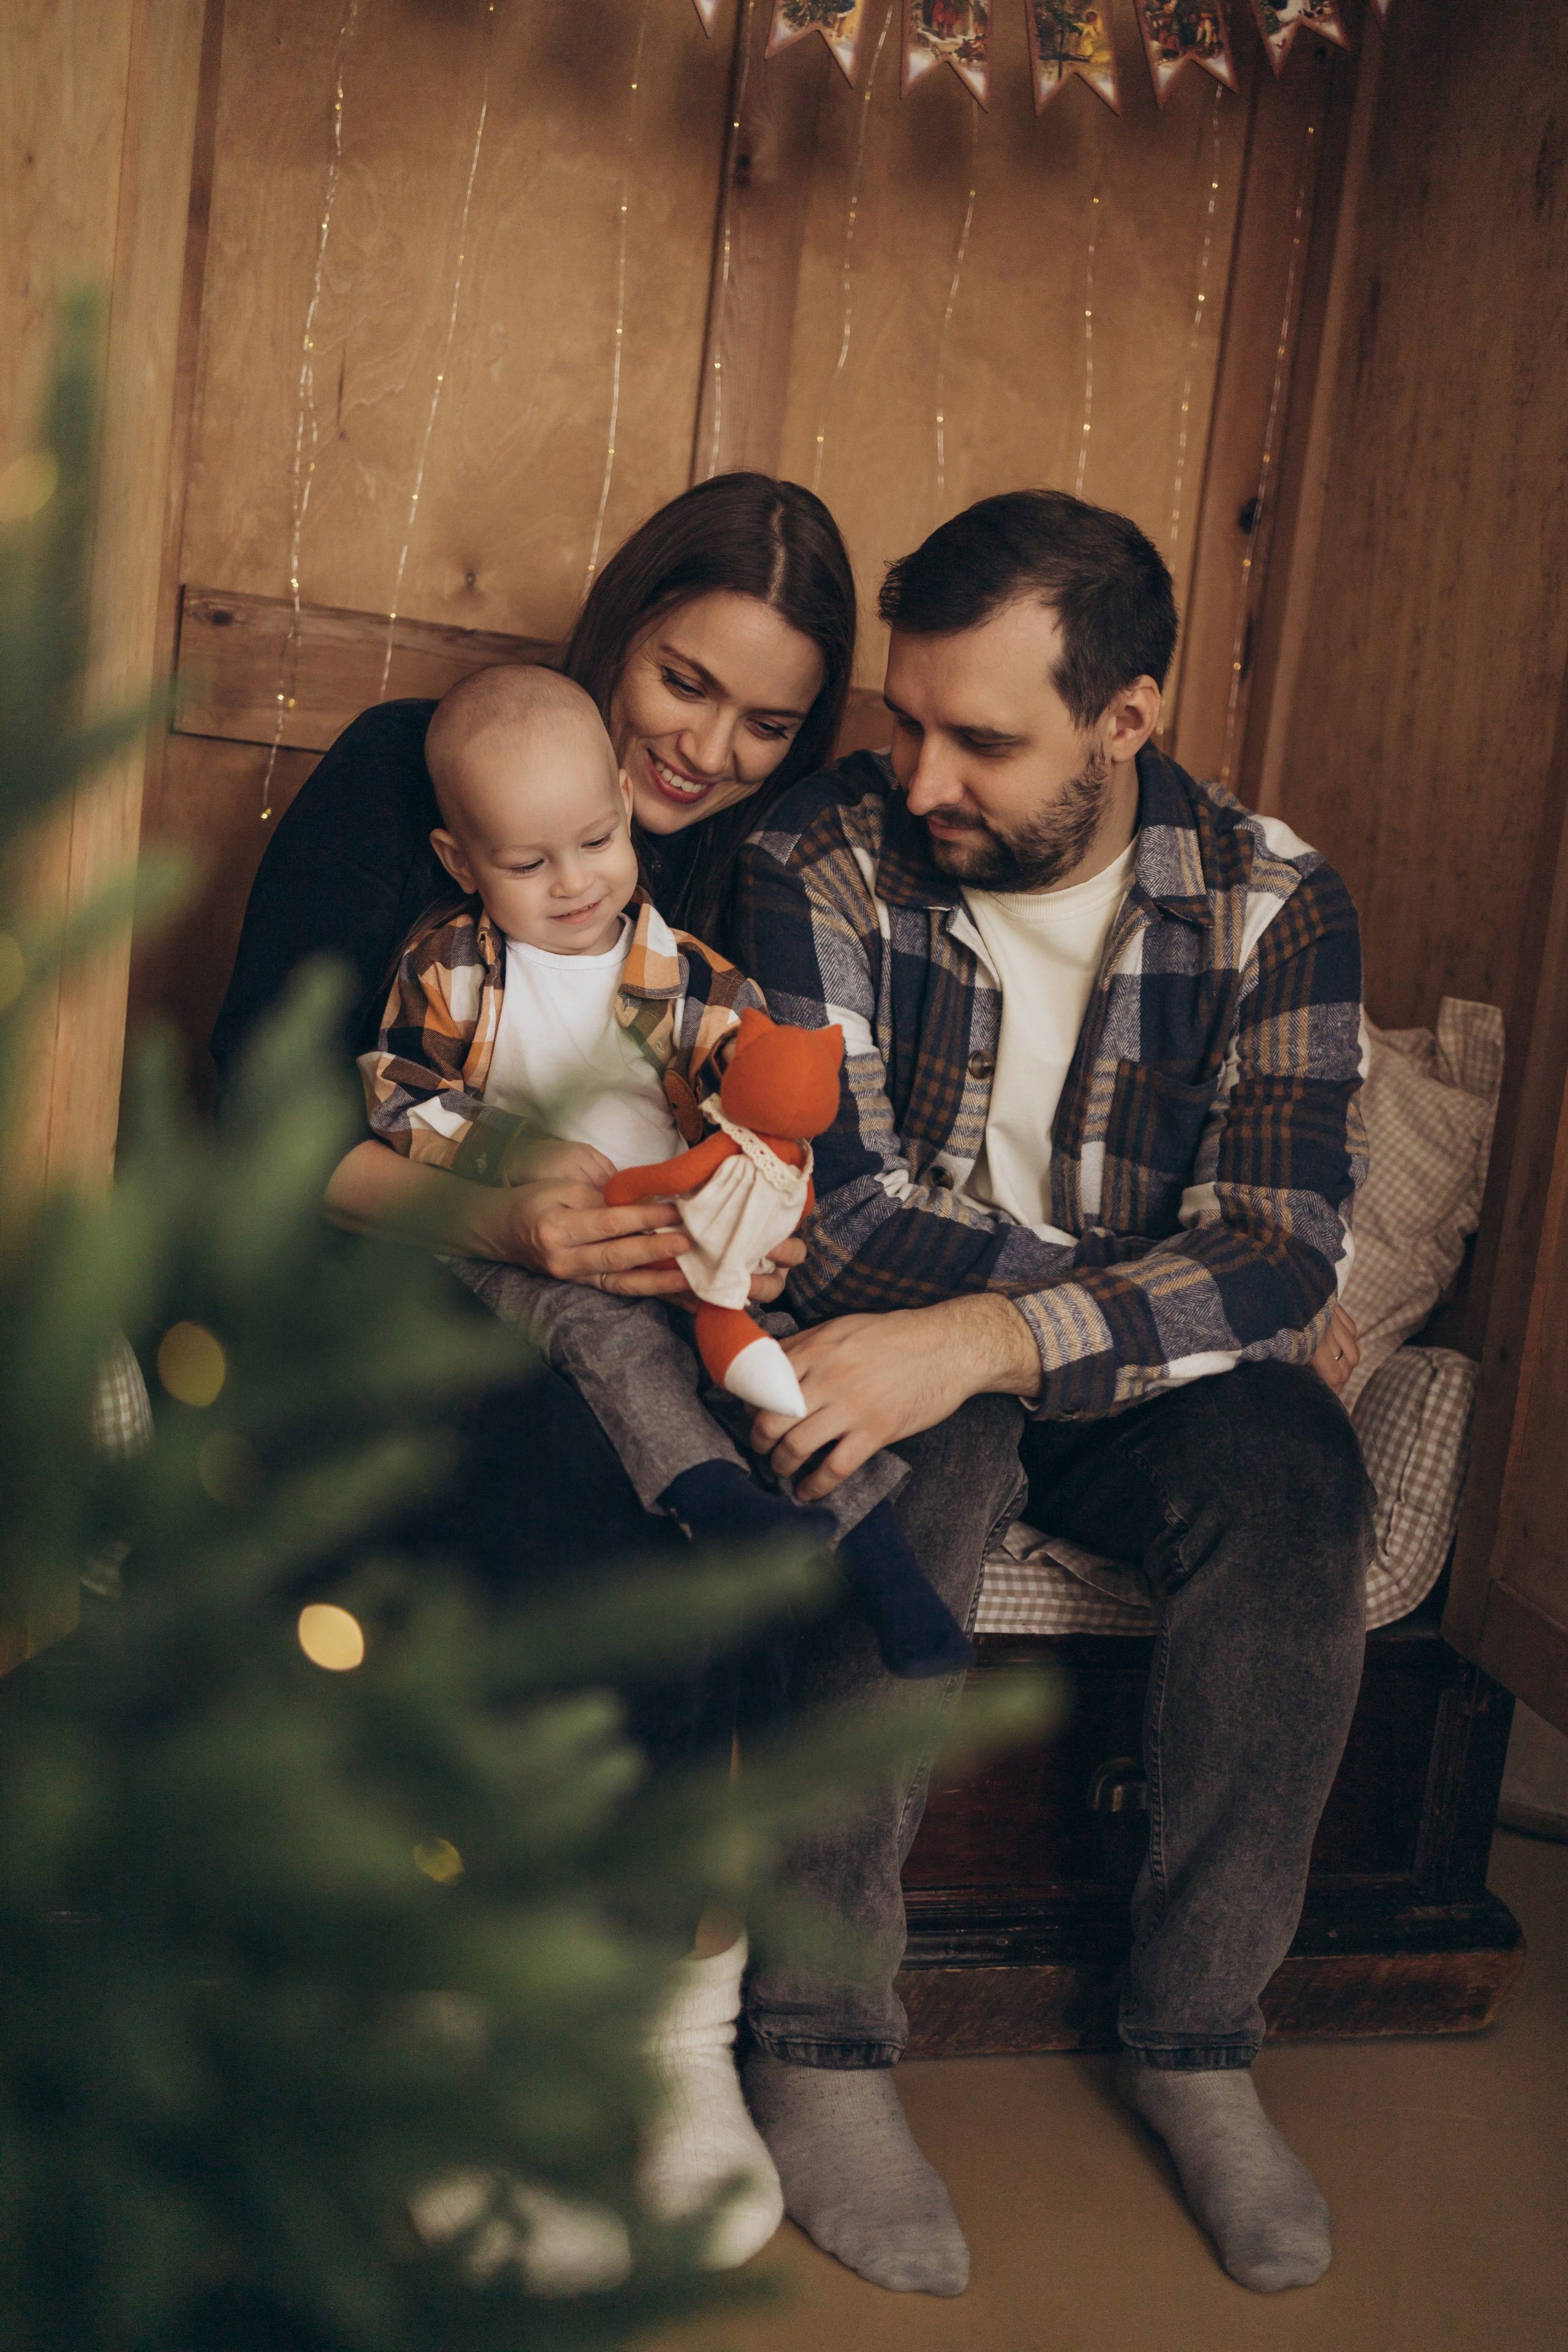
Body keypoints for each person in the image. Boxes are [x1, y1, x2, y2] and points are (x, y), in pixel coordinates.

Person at [209, 475, 1011, 2272]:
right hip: (384, 1272)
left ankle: (665, 2039)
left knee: (739, 1497)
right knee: (574, 1480)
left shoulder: (746, 872)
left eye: (767, 721)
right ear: (620, 627)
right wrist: (498, 1218)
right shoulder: (417, 773)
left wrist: (763, 1228)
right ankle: (463, 2032)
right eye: (683, 681)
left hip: (647, 1299)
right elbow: (255, 1131)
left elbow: (776, 1111)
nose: (707, 749)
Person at [732, 488, 1371, 2298]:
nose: (923, 775)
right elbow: (837, 1216)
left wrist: (1011, 1330)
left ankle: (1198, 2045)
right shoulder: (821, 858)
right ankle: (823, 2044)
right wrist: (1102, 1309)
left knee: (1300, 1482)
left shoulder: (1276, 903)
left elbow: (1289, 1248)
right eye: (904, 720)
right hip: (925, 1339)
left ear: (1128, 719)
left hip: (1102, 1376)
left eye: (984, 739)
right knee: (902, 1465)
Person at [358, 660, 963, 1670]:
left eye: (597, 842)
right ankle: (712, 1503)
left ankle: (883, 1564)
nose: (573, 881)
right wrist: (516, 1151)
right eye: (526, 862)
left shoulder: (685, 973)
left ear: (626, 812)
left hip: (680, 1235)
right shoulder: (451, 966)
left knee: (781, 1370)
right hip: (527, 1258)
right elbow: (398, 1100)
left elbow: (760, 1087)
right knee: (613, 1347)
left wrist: (766, 1174)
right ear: (460, 862)